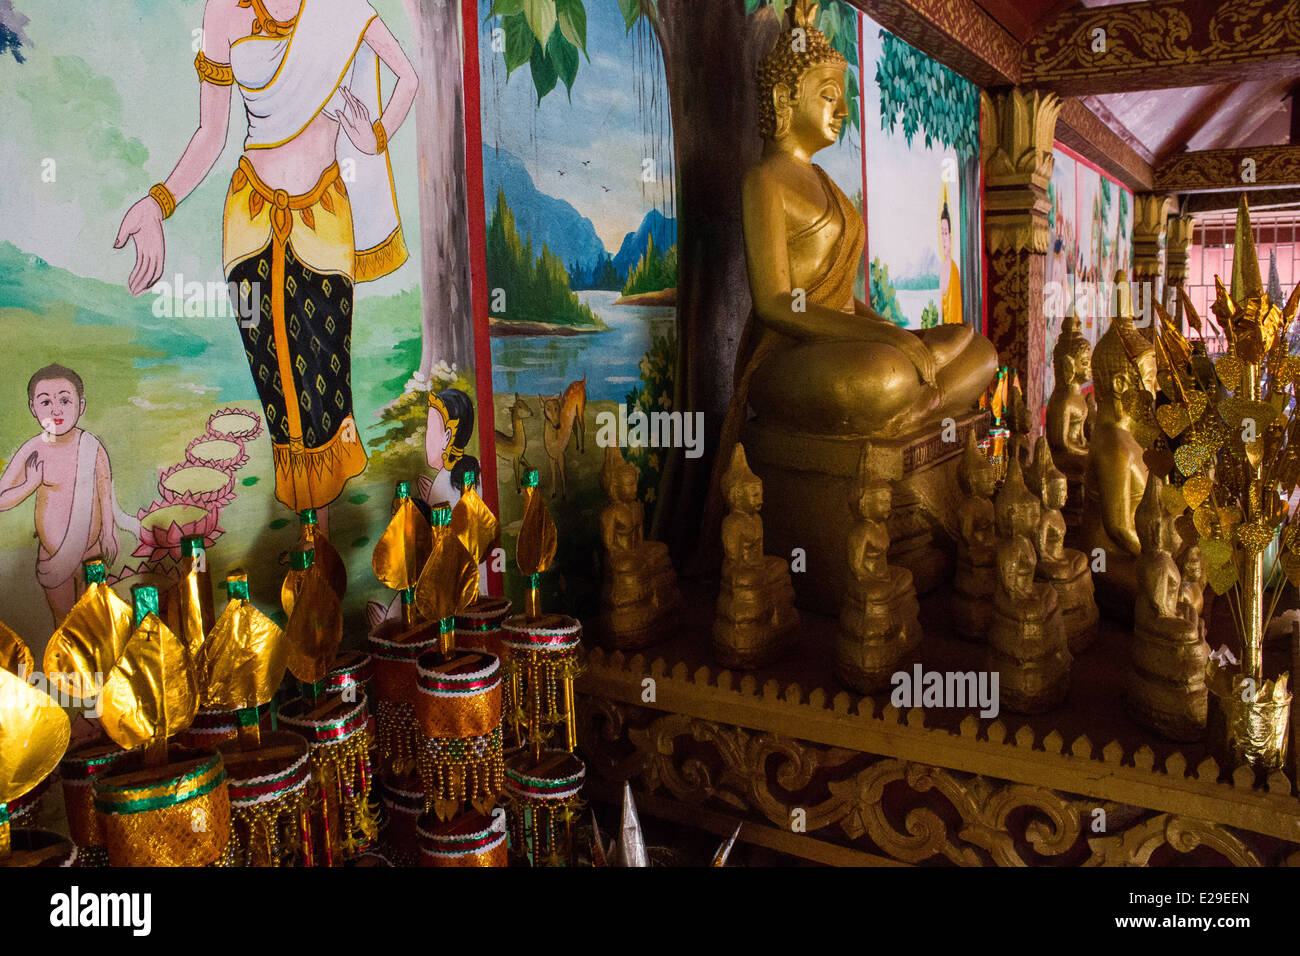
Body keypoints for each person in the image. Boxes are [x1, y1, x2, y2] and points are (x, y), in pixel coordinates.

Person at [114, 0, 418, 536]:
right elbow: (211, 134)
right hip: (249, 222)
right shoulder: (223, 11)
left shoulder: (338, 7)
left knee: (324, 387)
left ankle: (319, 550)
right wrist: (157, 203)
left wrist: (374, 135)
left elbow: (408, 79)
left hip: (324, 222)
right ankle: (309, 543)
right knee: (276, 385)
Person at [0, 365, 139, 625]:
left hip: (92, 552)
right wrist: (31, 484)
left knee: (95, 620)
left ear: (81, 405)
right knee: (64, 623)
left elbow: (104, 490)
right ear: (33, 408)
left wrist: (108, 531)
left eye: (65, 400)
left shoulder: (92, 446)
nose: (56, 409)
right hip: (53, 559)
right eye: (46, 402)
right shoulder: (34, 450)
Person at [938, 195, 962, 325]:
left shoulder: (953, 268)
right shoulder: (944, 267)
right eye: (941, 233)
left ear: (951, 236)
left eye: (946, 233)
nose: (943, 238)